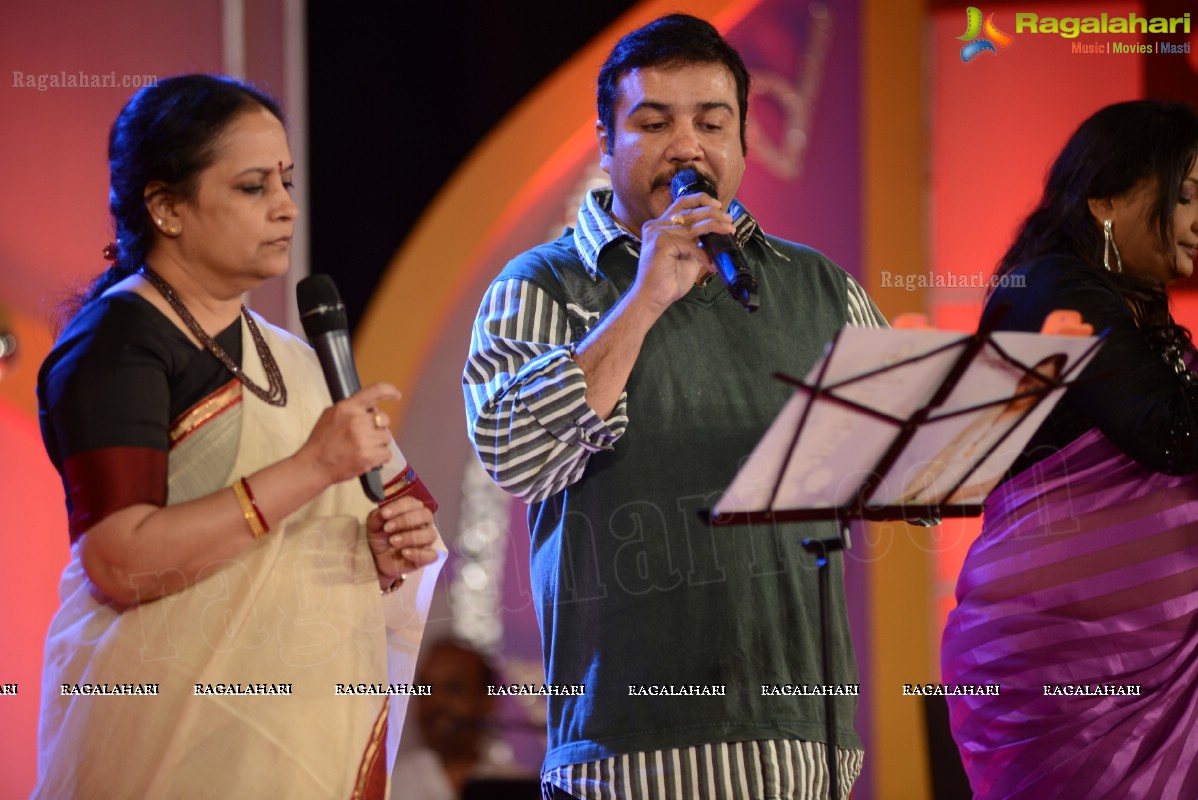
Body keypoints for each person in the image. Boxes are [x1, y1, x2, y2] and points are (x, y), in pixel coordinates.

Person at [463, 15, 887, 799]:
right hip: (629, 757)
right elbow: (517, 456)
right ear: (605, 142)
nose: (687, 146)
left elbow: (907, 469)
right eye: (654, 123)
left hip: (804, 750)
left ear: (743, 142)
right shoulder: (540, 285)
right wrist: (647, 294)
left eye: (711, 122)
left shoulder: (821, 287)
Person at [35, 74, 443, 799]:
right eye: (254, 187)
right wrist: (313, 468)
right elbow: (120, 560)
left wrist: (378, 551)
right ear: (165, 207)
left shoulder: (290, 356)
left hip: (289, 745)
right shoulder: (117, 342)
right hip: (167, 746)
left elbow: (327, 538)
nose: (286, 207)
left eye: (285, 181)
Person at [940, 99, 1198, 798]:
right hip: (1068, 681)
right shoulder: (1055, 288)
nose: (1196, 222)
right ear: (1106, 201)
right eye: (1182, 197)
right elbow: (1173, 435)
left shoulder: (1142, 313)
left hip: (1160, 674)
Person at [391, 639, 534, 800]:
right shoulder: (386, 785)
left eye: (453, 688)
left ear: (487, 700)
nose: (435, 702)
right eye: (426, 688)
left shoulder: (515, 786)